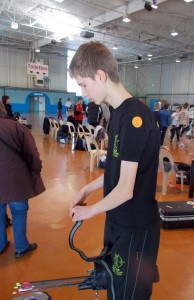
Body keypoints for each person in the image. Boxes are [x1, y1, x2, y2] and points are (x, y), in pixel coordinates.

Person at [69, 41, 161, 300]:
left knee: (128, 294)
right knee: (113, 286)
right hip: (117, 221)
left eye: (84, 84)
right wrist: (86, 189)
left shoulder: (136, 117)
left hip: (135, 227)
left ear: (100, 75)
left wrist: (88, 211)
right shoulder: (117, 113)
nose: (83, 93)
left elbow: (124, 190)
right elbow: (115, 168)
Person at [0, 101, 45, 258]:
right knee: (19, 212)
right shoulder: (16, 127)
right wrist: (36, 168)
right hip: (16, 179)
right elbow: (31, 153)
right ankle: (21, 247)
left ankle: (0, 244)